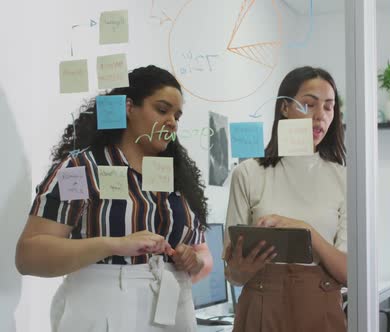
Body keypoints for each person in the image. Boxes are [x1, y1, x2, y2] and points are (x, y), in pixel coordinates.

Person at [15, 65, 213, 332]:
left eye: (177, 115)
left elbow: (203, 255)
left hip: (175, 311)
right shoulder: (82, 169)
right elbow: (29, 255)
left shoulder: (178, 178)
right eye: (162, 110)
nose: (172, 122)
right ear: (129, 107)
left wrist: (193, 261)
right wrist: (114, 244)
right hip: (103, 311)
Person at [223, 66, 347, 332]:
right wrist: (243, 268)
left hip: (320, 310)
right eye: (308, 104)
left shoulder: (344, 180)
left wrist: (307, 232)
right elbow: (232, 276)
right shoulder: (248, 173)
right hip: (260, 307)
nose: (320, 116)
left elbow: (348, 272)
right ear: (284, 108)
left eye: (328, 107)